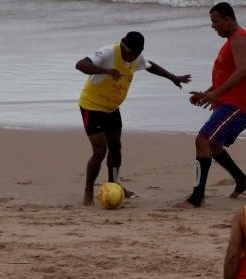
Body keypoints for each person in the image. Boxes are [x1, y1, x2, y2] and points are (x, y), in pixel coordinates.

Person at [76, 31, 190, 205]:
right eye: (129, 53)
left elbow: (150, 65)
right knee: (100, 151)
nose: (131, 57)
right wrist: (106, 71)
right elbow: (80, 65)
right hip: (92, 106)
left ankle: (114, 184)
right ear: (122, 45)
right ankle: (88, 190)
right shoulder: (108, 52)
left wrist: (172, 77)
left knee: (116, 147)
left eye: (135, 54)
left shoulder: (136, 57)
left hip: (112, 108)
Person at [178, 2, 246, 208]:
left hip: (238, 105)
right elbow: (226, 76)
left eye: (215, 22)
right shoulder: (233, 40)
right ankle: (242, 181)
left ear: (228, 19)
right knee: (213, 146)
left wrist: (215, 94)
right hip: (229, 103)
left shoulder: (240, 39)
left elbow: (242, 71)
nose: (213, 26)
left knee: (202, 140)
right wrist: (207, 94)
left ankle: (197, 198)